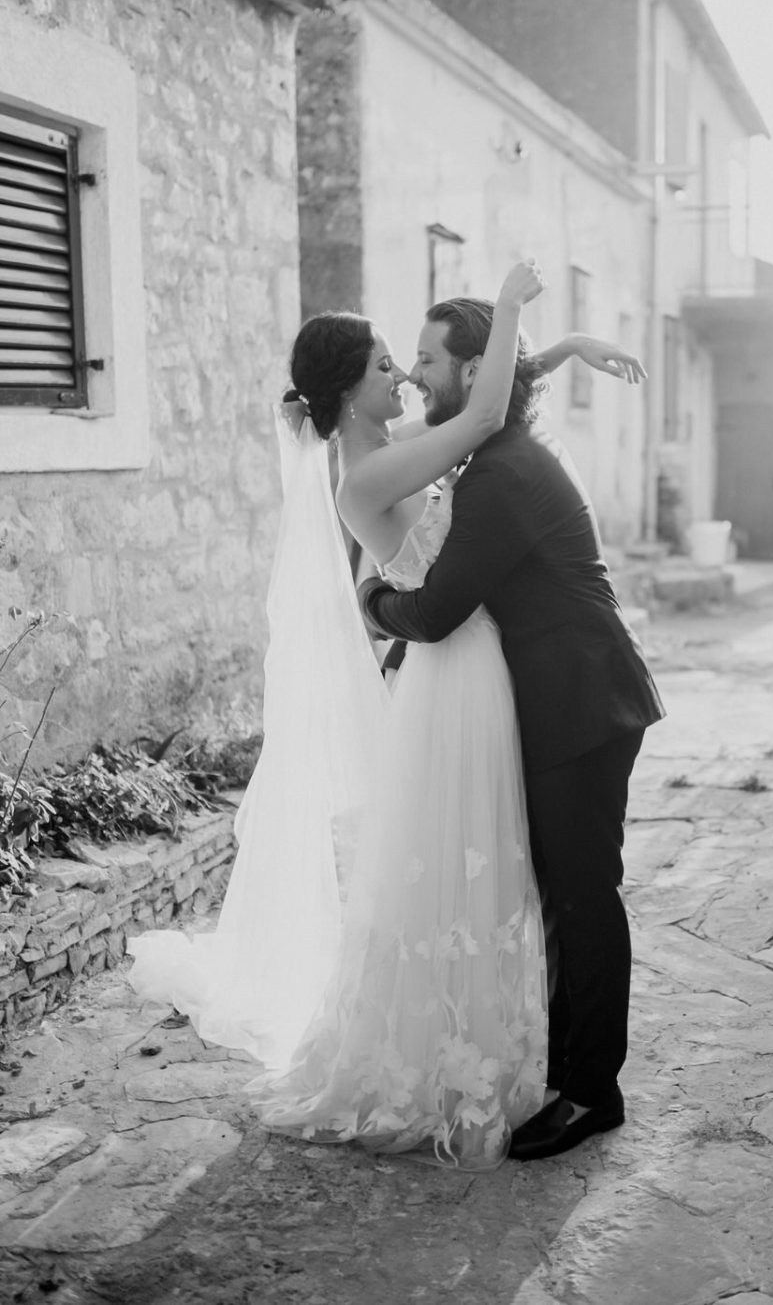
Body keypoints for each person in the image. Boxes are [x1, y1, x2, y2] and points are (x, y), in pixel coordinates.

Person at [130, 262, 645, 1169]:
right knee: (491, 876)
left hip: (515, 681)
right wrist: (521, 307)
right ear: (348, 390)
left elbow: (482, 395)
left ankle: (562, 1072)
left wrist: (557, 348)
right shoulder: (375, 466)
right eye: (388, 364)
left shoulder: (396, 440)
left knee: (543, 882)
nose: (405, 376)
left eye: (414, 361)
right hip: (458, 674)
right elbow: (481, 413)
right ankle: (485, 1055)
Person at [359, 294, 665, 1162]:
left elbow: (440, 609)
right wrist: (568, 342)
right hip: (571, 699)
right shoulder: (495, 449)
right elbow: (515, 374)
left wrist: (374, 604)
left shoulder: (500, 475)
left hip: (584, 703)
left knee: (584, 898)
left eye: (427, 360)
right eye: (410, 361)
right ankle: (570, 1069)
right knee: (566, 899)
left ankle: (590, 1093)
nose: (416, 375)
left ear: (468, 372)